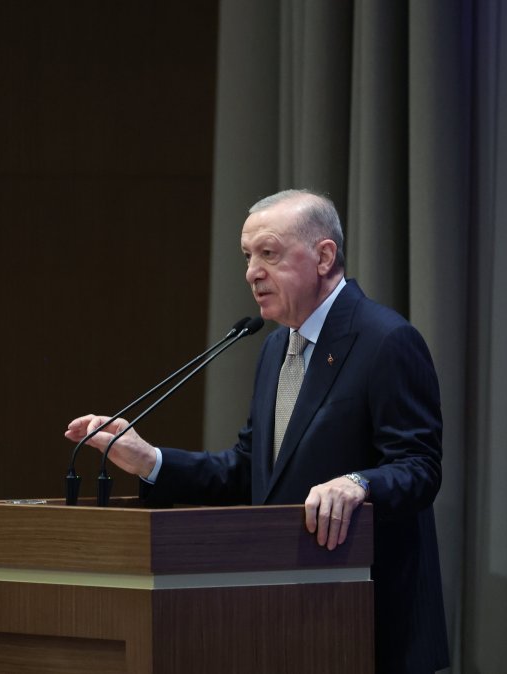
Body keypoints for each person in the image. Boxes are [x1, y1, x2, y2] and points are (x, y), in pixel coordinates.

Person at [65, 189, 449, 673]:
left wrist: (359, 483)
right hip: (281, 620)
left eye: (269, 253)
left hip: (367, 625)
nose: (252, 272)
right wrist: (150, 460)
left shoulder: (386, 340)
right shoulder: (274, 350)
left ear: (324, 256)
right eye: (248, 257)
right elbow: (249, 472)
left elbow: (419, 468)